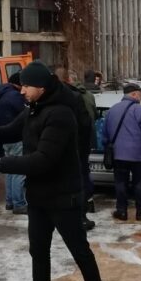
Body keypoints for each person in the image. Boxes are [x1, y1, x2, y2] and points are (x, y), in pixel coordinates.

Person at [0, 61, 113, 281]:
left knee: (82, 255)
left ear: (40, 87)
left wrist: (0, 164)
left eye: (26, 86)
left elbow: (43, 160)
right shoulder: (33, 108)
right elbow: (7, 131)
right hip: (39, 200)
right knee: (38, 256)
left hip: (64, 199)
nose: (21, 91)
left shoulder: (61, 115)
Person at [103, 83, 141, 221]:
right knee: (139, 184)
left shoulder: (112, 111)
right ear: (134, 94)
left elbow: (105, 133)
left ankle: (121, 211)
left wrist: (107, 148)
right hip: (138, 155)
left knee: (120, 183)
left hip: (118, 155)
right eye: (140, 94)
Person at [53, 65, 97, 230]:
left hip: (56, 150)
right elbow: (85, 123)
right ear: (68, 79)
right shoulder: (75, 96)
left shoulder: (48, 96)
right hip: (77, 148)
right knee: (79, 182)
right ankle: (81, 217)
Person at [0, 72, 27, 214]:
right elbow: (26, 113)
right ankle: (19, 203)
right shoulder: (15, 96)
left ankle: (9, 201)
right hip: (16, 137)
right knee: (19, 171)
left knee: (9, 171)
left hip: (4, 138)